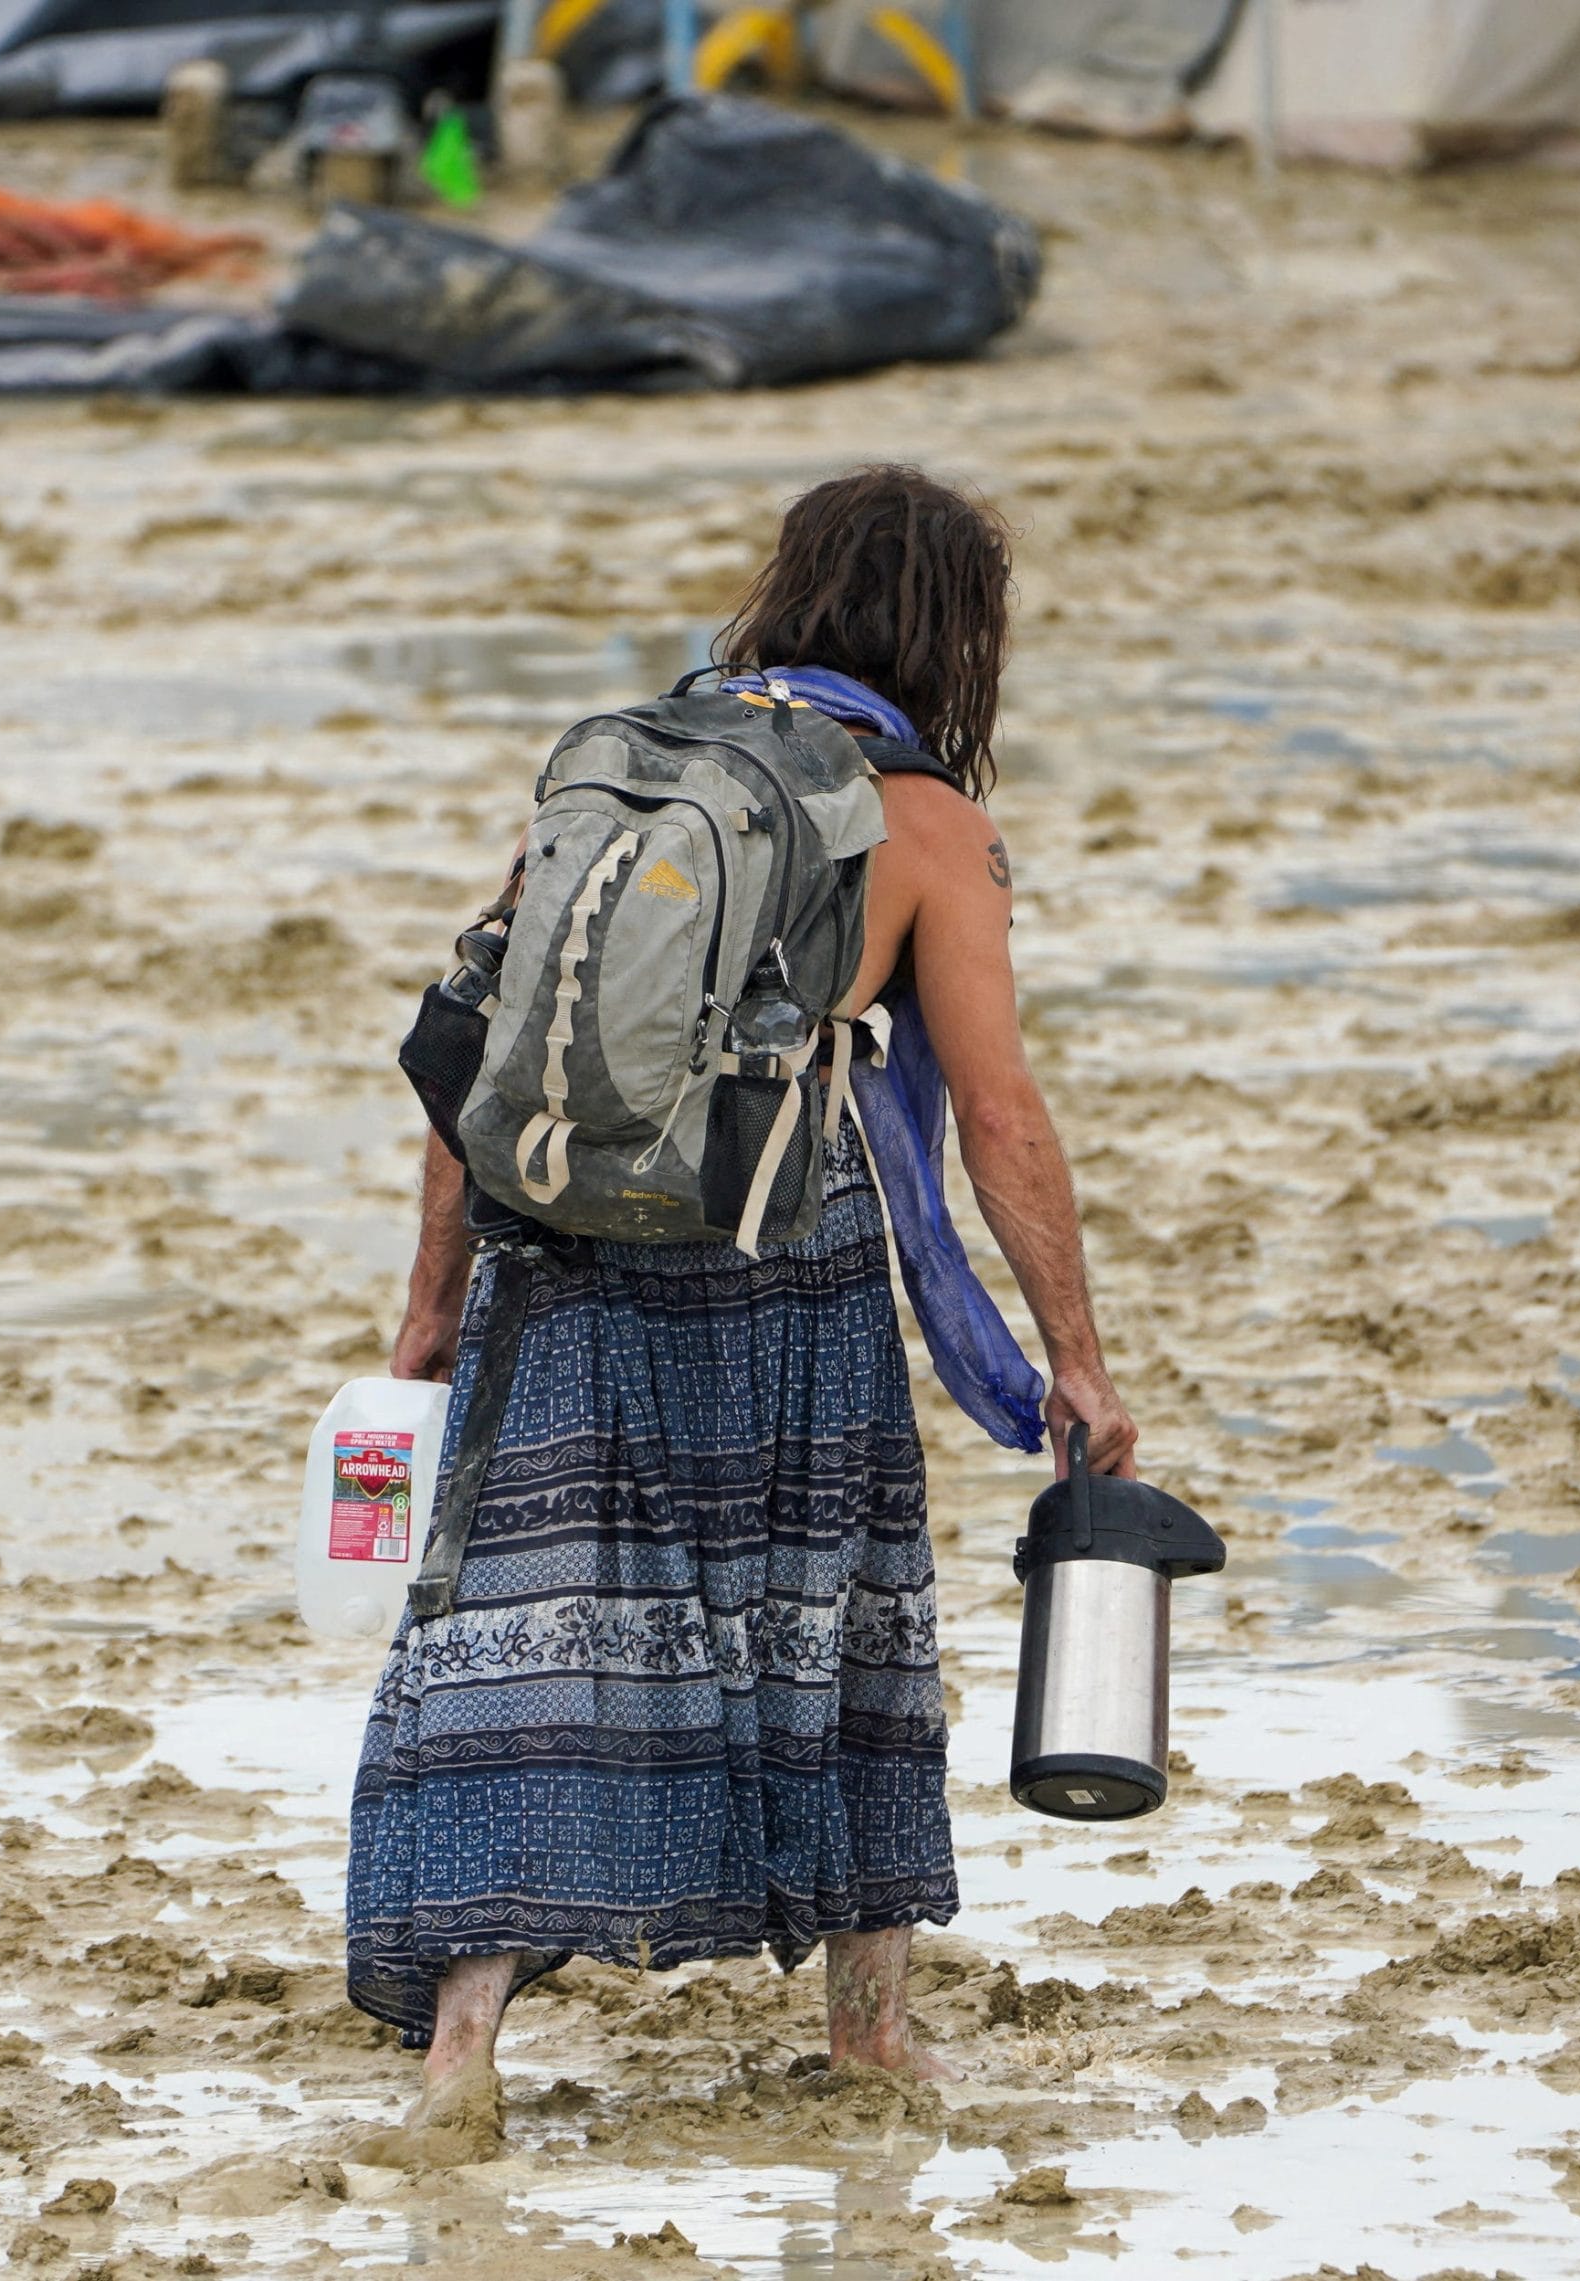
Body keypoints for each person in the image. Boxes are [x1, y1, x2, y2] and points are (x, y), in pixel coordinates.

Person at [345, 465, 1138, 2165]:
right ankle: (870, 2035)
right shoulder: (921, 824)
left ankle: (460, 2059)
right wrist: (1072, 1354)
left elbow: (476, 1046)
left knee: (538, 1618)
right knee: (835, 1607)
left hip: (557, 1247)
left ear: (791, 590)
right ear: (954, 635)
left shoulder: (618, 762)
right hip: (786, 1249)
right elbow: (997, 1116)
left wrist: (428, 1307)